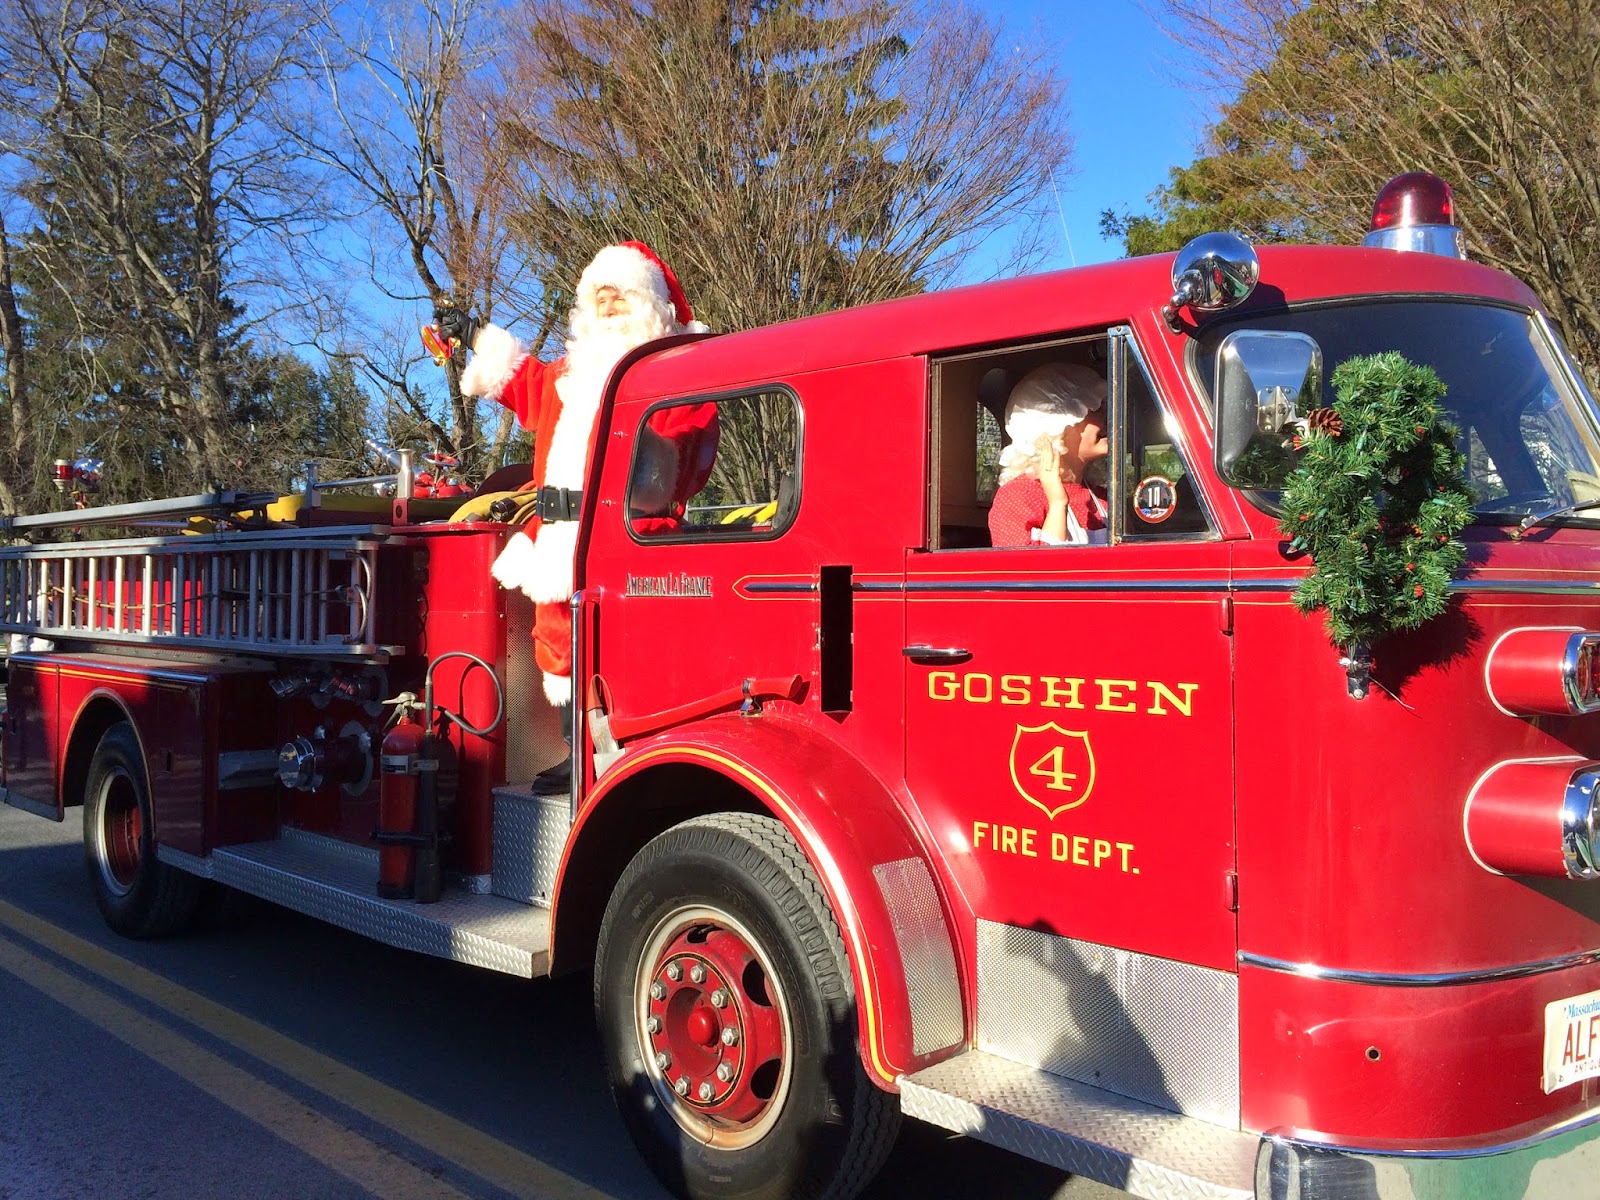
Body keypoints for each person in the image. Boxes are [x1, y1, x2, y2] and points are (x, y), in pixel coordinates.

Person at [435, 242, 715, 791]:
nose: (609, 309)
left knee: (627, 645)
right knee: (558, 640)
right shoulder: (568, 373)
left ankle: (630, 751)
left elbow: (681, 457)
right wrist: (474, 335)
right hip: (558, 534)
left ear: (650, 306)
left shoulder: (680, 373)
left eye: (622, 298)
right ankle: (579, 750)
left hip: (632, 536)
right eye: (601, 298)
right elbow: (523, 383)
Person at [987, 363, 1109, 547]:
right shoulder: (1017, 497)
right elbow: (1026, 572)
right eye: (1095, 410)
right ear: (1060, 427)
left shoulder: (1101, 497)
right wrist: (1058, 504)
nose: (1107, 417)